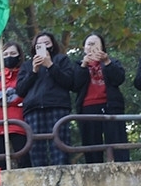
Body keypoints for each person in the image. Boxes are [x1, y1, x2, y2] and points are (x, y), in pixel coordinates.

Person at [16, 31, 81, 169]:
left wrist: (50, 65)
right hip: (33, 109)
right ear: (34, 48)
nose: (44, 47)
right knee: (36, 149)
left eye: (47, 43)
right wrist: (34, 71)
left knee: (60, 146)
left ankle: (62, 174)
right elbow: (20, 90)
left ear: (53, 45)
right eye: (39, 45)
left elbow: (69, 82)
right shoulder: (27, 65)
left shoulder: (62, 60)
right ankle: (39, 176)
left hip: (58, 106)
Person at [75, 33, 129, 163]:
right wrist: (84, 65)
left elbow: (119, 79)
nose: (91, 47)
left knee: (117, 142)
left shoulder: (112, 62)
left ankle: (122, 166)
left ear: (102, 48)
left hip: (111, 106)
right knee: (91, 145)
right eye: (89, 44)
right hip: (88, 107)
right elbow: (74, 85)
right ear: (84, 48)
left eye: (95, 44)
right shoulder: (77, 65)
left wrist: (107, 62)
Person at [0, 42, 29, 168]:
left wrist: (0, 99)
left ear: (19, 55)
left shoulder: (25, 75)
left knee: (24, 161)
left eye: (13, 53)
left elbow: (22, 95)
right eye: (6, 54)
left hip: (19, 122)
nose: (9, 56)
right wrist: (9, 93)